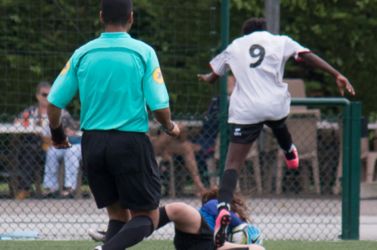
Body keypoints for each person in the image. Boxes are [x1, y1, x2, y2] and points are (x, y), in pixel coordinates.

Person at [197, 17, 356, 247]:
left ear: (245, 33)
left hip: (246, 110)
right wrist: (336, 74)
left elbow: (214, 74)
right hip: (274, 105)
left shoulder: (235, 46)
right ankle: (289, 149)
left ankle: (223, 206)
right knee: (279, 123)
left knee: (232, 164)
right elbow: (306, 56)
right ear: (264, 30)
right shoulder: (279, 41)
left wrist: (206, 78)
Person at [47, 0, 180, 249]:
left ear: (100, 17)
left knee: (118, 216)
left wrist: (57, 135)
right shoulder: (143, 52)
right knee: (147, 217)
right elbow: (159, 106)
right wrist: (169, 127)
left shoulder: (83, 53)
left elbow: (53, 103)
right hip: (130, 142)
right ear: (131, 17)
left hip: (93, 143)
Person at [90, 189, 265, 250]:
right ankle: (122, 234)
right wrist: (242, 224)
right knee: (177, 209)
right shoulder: (217, 205)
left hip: (203, 243)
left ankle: (120, 234)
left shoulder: (225, 230)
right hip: (195, 238)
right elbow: (228, 218)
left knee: (258, 248)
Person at [13, 81, 81, 200]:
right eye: (44, 95)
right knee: (28, 151)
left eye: (50, 95)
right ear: (37, 96)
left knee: (51, 152)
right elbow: (16, 122)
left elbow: (74, 128)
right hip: (36, 146)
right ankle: (26, 189)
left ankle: (57, 189)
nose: (47, 98)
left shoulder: (61, 111)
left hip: (56, 146)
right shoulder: (31, 111)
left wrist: (67, 131)